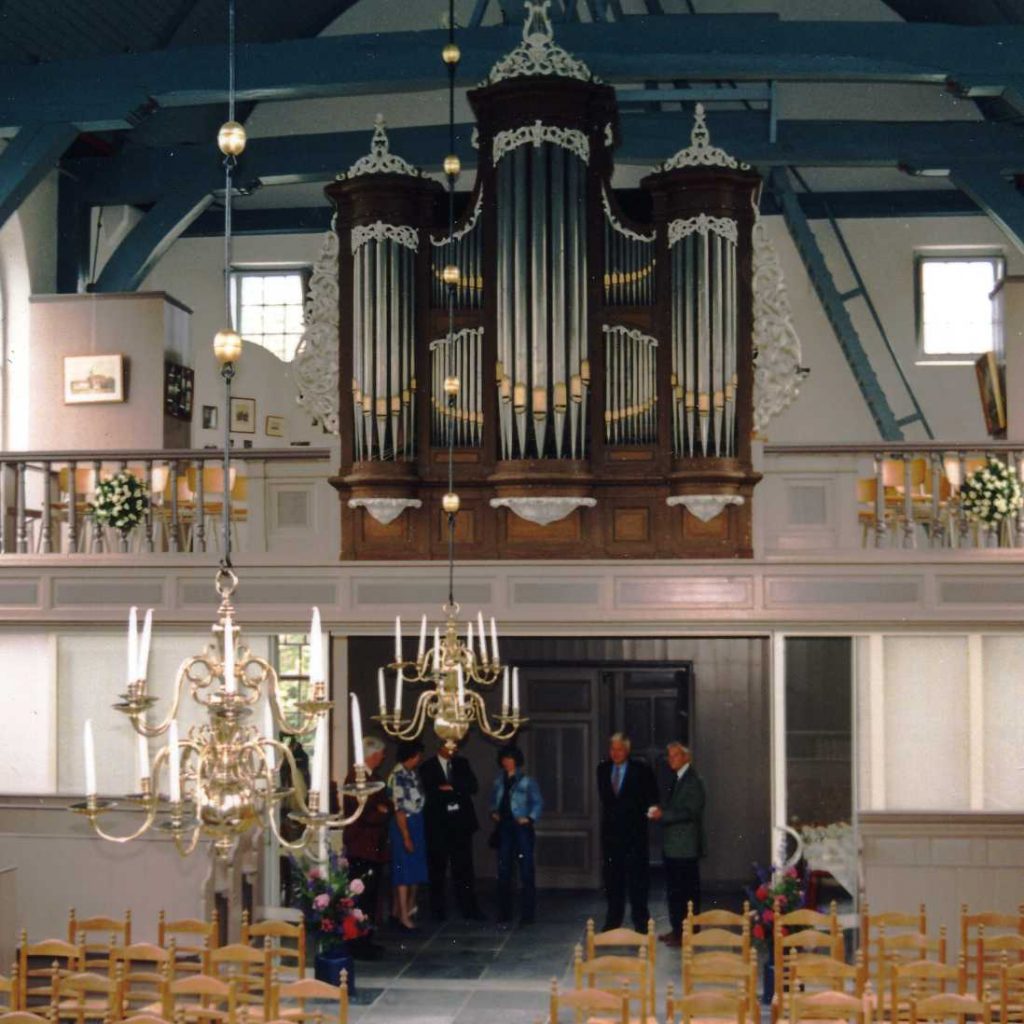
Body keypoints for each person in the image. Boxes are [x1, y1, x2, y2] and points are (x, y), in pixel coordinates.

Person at [596, 732, 659, 933]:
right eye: (612, 749)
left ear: (627, 750)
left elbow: (653, 796)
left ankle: (641, 923)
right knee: (613, 880)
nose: (615, 753)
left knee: (638, 881)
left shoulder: (641, 769)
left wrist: (652, 810)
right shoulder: (602, 769)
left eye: (620, 749)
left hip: (635, 836)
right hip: (611, 836)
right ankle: (613, 921)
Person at [419, 739, 483, 921]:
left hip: (461, 824)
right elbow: (431, 791)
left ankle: (469, 909)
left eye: (455, 746)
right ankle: (438, 912)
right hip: (438, 825)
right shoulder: (427, 766)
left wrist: (452, 787)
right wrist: (455, 790)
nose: (453, 750)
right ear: (440, 746)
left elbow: (473, 786)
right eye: (449, 746)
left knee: (464, 868)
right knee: (437, 869)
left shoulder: (462, 763)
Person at [342, 735, 392, 959]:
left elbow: (386, 804)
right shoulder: (356, 778)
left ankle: (367, 940)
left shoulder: (375, 777)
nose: (383, 757)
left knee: (371, 896)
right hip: (362, 845)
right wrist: (381, 811)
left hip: (374, 846)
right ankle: (357, 944)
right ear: (373, 754)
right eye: (381, 753)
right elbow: (365, 813)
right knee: (361, 896)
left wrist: (383, 809)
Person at [657, 741, 707, 947]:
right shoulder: (679, 778)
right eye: (669, 756)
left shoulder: (693, 780)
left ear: (686, 757)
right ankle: (677, 930)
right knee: (675, 892)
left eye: (675, 756)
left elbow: (690, 811)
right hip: (674, 847)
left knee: (686, 893)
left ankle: (688, 934)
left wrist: (664, 815)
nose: (671, 760)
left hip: (685, 848)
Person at [489, 744, 543, 925]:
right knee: (504, 871)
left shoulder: (527, 781)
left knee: (526, 870)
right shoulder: (498, 780)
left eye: (510, 758)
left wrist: (529, 818)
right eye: (504, 758)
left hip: (521, 829)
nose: (507, 762)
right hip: (504, 828)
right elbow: (494, 801)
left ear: (516, 760)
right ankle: (504, 913)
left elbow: (538, 803)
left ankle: (528, 915)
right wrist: (494, 812)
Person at [387, 738, 428, 932]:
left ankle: (405, 909)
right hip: (405, 825)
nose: (419, 759)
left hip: (417, 823)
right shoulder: (397, 776)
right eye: (417, 756)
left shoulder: (411, 773)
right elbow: (399, 810)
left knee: (414, 870)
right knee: (403, 872)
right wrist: (406, 836)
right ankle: (403, 915)